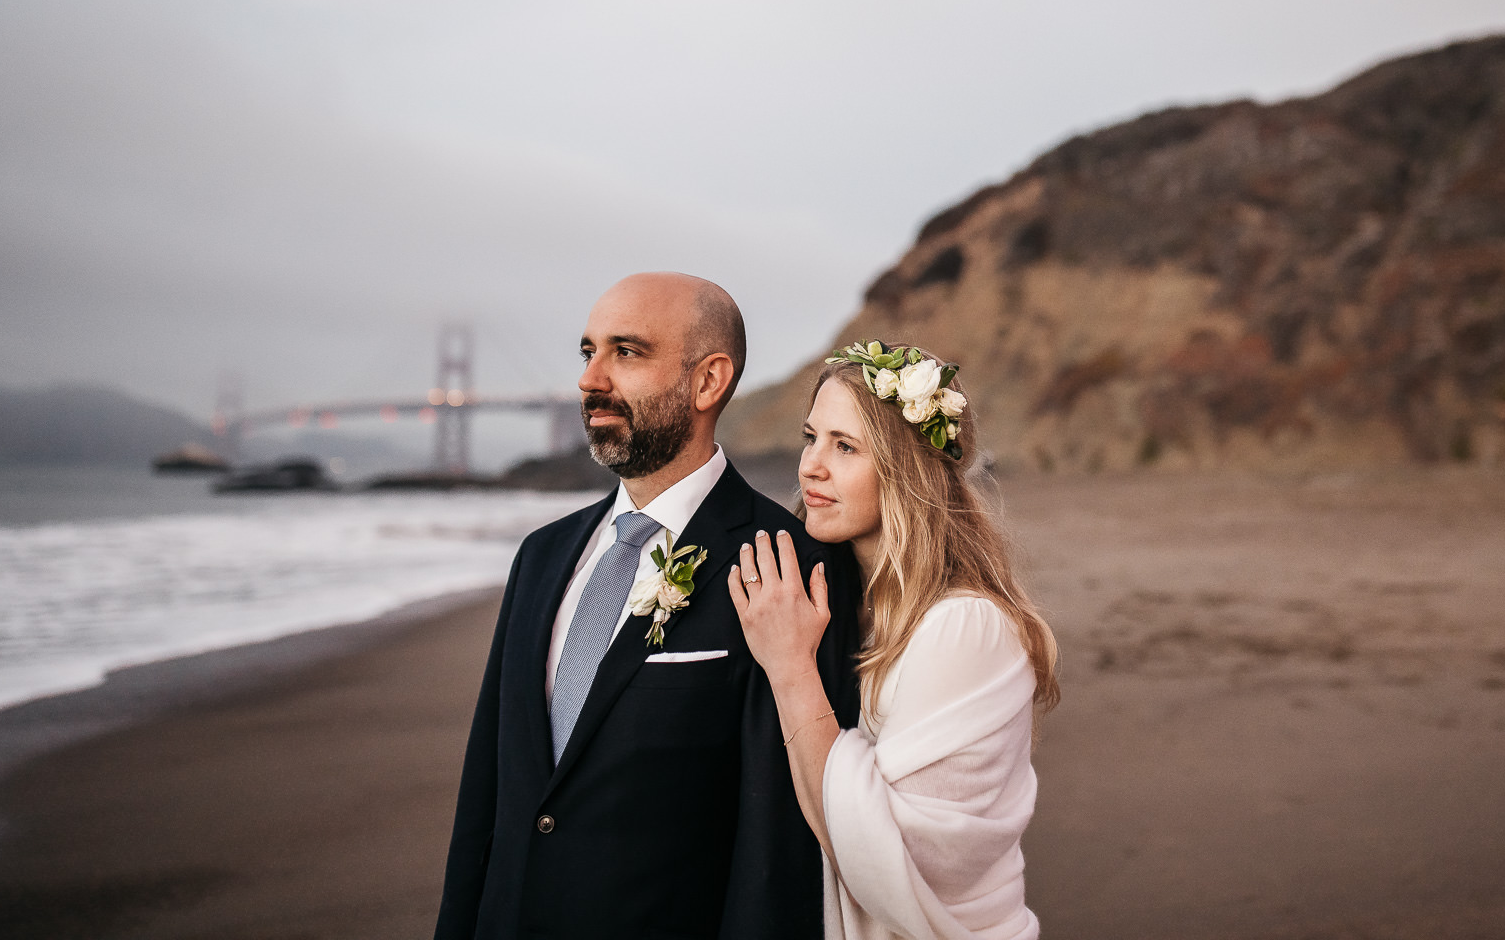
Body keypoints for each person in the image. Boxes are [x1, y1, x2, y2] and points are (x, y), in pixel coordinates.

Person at [434, 273, 863, 940]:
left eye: (625, 353)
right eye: (587, 353)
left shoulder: (790, 565)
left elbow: (775, 843)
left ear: (707, 382)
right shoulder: (540, 557)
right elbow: (486, 797)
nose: (589, 379)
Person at [728, 341, 1060, 940]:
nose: (811, 467)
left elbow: (888, 860)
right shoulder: (851, 609)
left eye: (846, 447)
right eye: (811, 438)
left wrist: (789, 667)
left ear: (906, 471)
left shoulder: (963, 627)